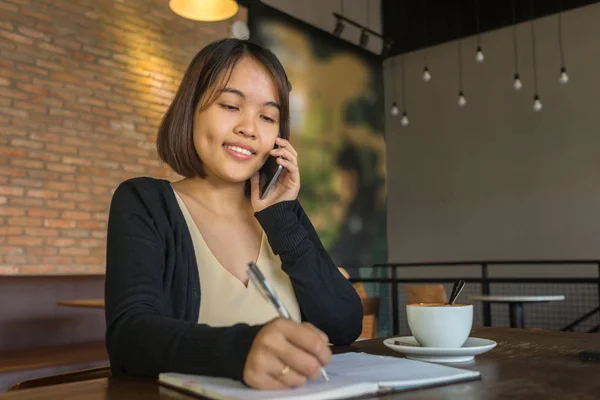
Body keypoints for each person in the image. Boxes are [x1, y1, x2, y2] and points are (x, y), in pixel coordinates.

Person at [104, 38, 363, 390]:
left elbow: (346, 323)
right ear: (191, 108)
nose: (250, 128)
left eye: (268, 116)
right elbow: (129, 338)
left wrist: (282, 218)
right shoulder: (145, 202)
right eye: (230, 106)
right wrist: (241, 351)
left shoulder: (282, 213)